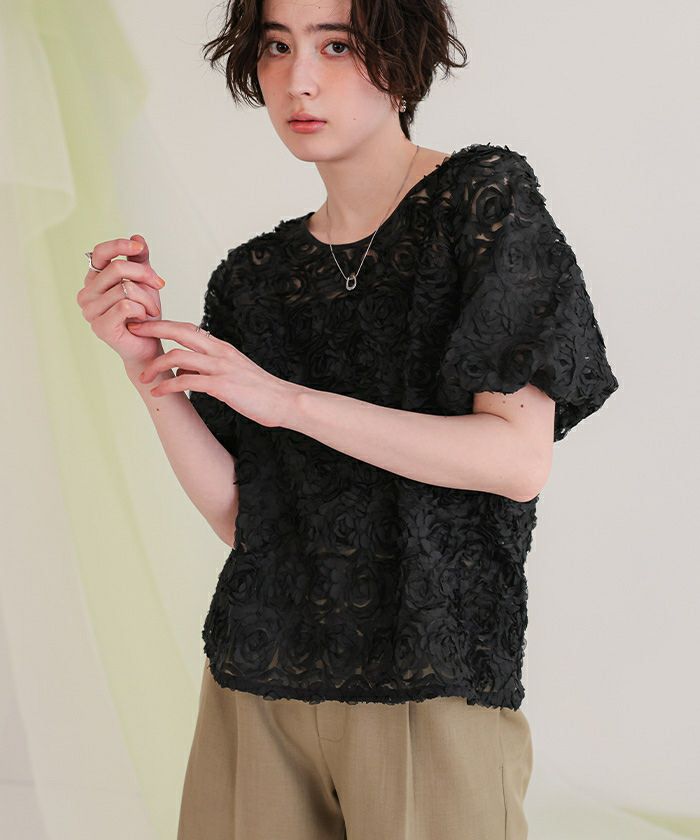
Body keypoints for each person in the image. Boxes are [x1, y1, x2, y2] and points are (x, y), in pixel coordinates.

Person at [77, 1, 619, 837]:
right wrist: (145, 368)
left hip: (430, 685)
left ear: (402, 54)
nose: (299, 79)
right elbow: (246, 520)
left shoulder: (481, 203)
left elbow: (516, 459)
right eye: (276, 46)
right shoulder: (253, 279)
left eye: (337, 45)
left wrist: (287, 401)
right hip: (255, 680)